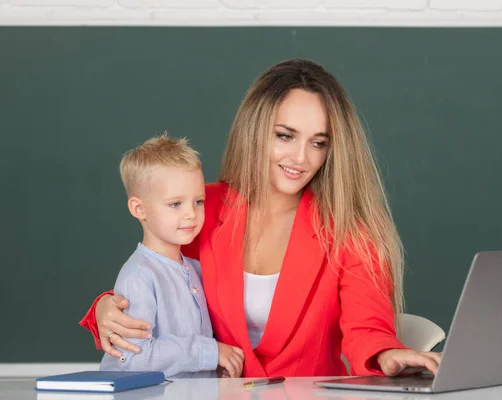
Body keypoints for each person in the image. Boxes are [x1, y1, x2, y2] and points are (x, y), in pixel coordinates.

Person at [80, 59, 441, 377]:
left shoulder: (350, 230)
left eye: (319, 142)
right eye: (285, 136)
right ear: (255, 131)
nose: (301, 158)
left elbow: (368, 327)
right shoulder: (201, 208)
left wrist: (387, 353)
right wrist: (106, 308)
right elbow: (160, 273)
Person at [97, 135, 244, 378]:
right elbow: (134, 357)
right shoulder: (139, 277)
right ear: (139, 209)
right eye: (176, 204)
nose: (191, 214)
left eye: (198, 201)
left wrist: (215, 366)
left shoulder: (194, 268)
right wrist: (210, 352)